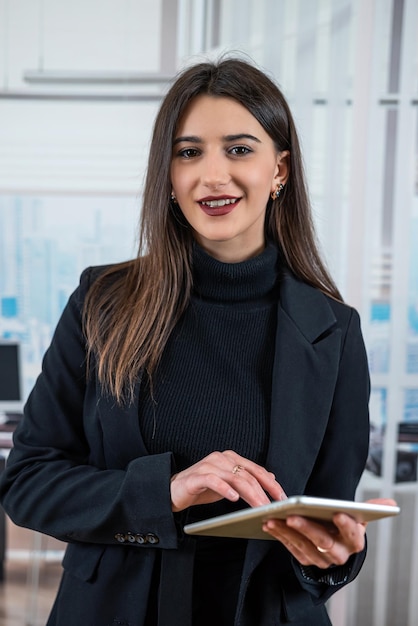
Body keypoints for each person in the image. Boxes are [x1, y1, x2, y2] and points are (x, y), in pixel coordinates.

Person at [0, 57, 395, 626]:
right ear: (168, 175)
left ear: (279, 170)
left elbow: (327, 518)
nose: (212, 176)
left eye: (238, 149)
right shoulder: (103, 302)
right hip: (116, 610)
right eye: (189, 152)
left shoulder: (333, 330)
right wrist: (165, 491)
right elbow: (29, 480)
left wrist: (330, 561)